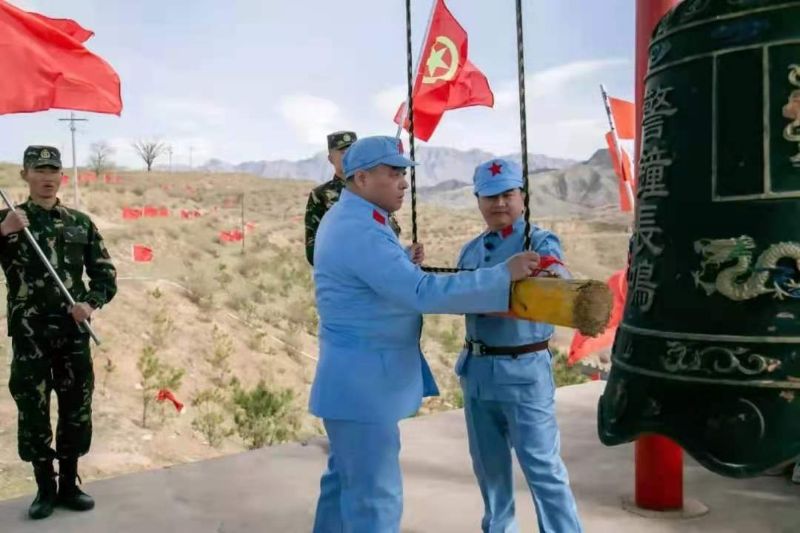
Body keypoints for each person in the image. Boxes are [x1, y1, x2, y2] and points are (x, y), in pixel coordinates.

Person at [309, 137, 541, 532]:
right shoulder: (360, 228)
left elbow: (371, 280)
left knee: (345, 485)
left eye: (404, 174)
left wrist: (400, 261)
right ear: (361, 178)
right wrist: (502, 274)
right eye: (393, 173)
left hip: (352, 381)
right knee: (375, 501)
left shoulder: (353, 217)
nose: (403, 183)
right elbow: (420, 292)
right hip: (364, 385)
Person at [454, 158, 583, 533]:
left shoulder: (539, 243)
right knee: (489, 471)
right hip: (477, 372)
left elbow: (556, 285)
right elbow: (454, 294)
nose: (499, 204)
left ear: (522, 197)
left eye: (507, 194)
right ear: (478, 200)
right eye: (490, 196)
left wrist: (477, 295)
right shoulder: (470, 251)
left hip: (523, 372)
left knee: (543, 470)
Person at [1, 146, 117, 520]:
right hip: (30, 337)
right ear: (25, 175)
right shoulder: (9, 219)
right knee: (33, 411)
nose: (47, 177)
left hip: (72, 336)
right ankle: (44, 488)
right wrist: (4, 230)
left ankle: (69, 483)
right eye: (39, 170)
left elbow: (105, 276)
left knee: (75, 410)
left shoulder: (80, 223)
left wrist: (90, 303)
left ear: (61, 176)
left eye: (53, 171)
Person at [304, 130, 402, 265]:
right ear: (331, 159)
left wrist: (406, 255)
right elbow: (313, 251)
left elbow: (391, 232)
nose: (350, 156)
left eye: (354, 151)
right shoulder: (321, 195)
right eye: (343, 152)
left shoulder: (374, 190)